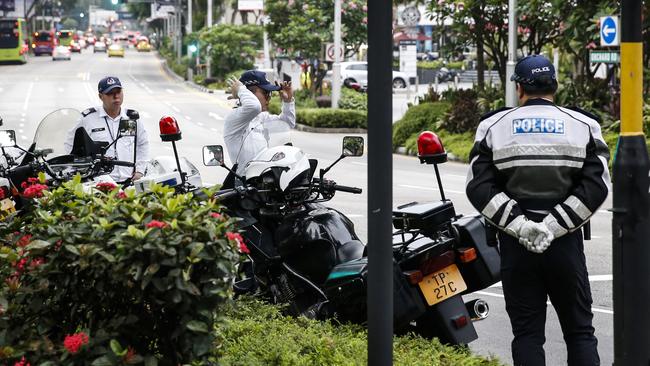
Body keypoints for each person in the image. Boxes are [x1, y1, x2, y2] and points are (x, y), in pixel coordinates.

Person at [465, 55, 609, 366]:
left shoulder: (494, 126)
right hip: (565, 245)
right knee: (580, 332)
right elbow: (597, 187)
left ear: (519, 88)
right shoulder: (584, 125)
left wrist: (521, 226)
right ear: (555, 85)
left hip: (516, 246)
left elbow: (478, 187)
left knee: (527, 334)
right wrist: (553, 227)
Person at [64, 76, 150, 182]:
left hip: (129, 181)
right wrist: (80, 171)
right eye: (110, 93)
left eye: (118, 92)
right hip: (98, 183)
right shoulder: (88, 118)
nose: (116, 96)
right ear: (101, 96)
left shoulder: (131, 118)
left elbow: (142, 144)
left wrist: (140, 171)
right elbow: (70, 144)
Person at [223, 70, 295, 176]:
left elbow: (287, 123)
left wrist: (288, 101)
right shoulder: (235, 118)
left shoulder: (260, 118)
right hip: (246, 185)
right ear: (250, 93)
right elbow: (253, 106)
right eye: (266, 93)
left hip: (266, 180)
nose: (269, 98)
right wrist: (240, 89)